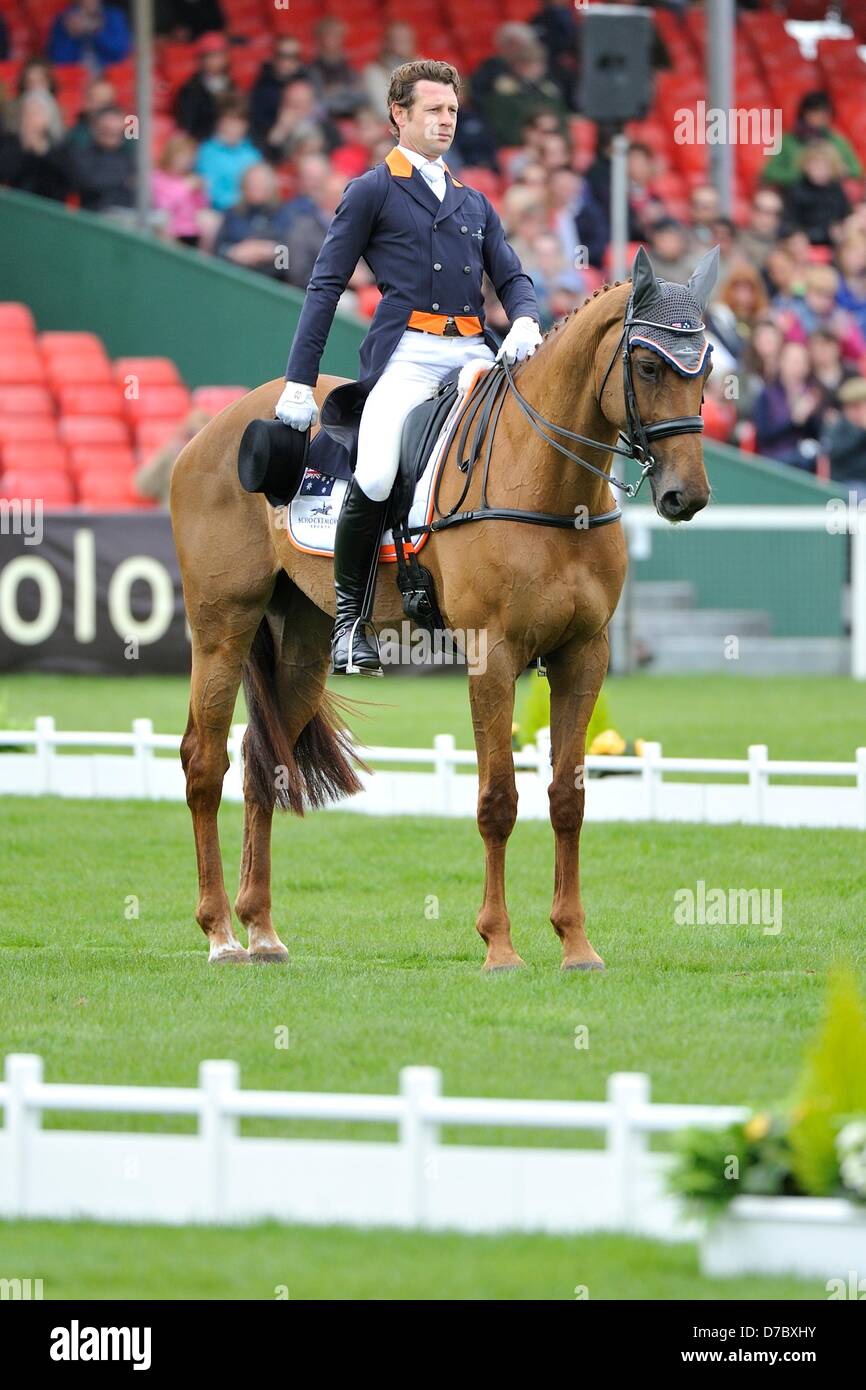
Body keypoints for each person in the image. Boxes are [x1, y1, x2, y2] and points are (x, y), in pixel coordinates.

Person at [276, 58, 541, 675]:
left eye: (452, 111)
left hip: (474, 351)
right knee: (374, 472)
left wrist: (524, 317)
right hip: (409, 355)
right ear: (399, 115)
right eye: (433, 110)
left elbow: (512, 274)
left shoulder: (474, 201)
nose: (446, 121)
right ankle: (349, 621)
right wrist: (297, 380)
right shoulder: (372, 190)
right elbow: (324, 285)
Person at [471, 22, 568, 148]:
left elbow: (561, 121)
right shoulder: (505, 92)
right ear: (518, 67)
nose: (536, 70)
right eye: (529, 65)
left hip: (551, 147)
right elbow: (503, 128)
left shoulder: (549, 90)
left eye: (539, 65)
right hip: (518, 147)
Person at [764, 90, 862, 187]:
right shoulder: (787, 140)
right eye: (815, 112)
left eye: (824, 114)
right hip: (795, 192)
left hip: (831, 191)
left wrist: (833, 171)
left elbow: (856, 170)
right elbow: (770, 172)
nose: (820, 117)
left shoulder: (836, 140)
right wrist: (802, 174)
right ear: (804, 114)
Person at [754, 339, 825, 470]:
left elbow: (819, 436)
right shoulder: (767, 394)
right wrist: (793, 421)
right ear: (781, 362)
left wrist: (811, 416)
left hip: (804, 461)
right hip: (772, 458)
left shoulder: (813, 394)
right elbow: (763, 436)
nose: (797, 367)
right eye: (793, 361)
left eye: (801, 362)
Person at [215, 162, 293, 276]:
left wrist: (266, 251)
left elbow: (287, 261)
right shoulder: (233, 213)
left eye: (262, 183)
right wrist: (233, 252)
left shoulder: (284, 215)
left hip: (269, 280)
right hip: (233, 274)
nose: (257, 187)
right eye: (253, 184)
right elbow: (217, 249)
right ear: (244, 187)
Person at [0, 92, 72, 201]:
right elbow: (5, 173)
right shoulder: (11, 143)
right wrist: (23, 146)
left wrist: (42, 151)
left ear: (49, 118)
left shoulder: (61, 148)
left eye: (35, 113)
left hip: (45, 208)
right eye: (26, 113)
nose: (29, 118)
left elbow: (65, 183)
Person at [67, 105, 135, 213]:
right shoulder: (81, 155)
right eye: (106, 129)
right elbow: (90, 183)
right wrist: (124, 180)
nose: (111, 134)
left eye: (115, 131)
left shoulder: (128, 159)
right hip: (92, 217)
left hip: (126, 218)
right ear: (95, 128)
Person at [195, 98, 259, 212]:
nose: (234, 127)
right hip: (218, 213)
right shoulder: (207, 152)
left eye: (239, 121)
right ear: (219, 122)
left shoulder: (252, 153)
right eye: (229, 121)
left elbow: (259, 187)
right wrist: (238, 205)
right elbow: (211, 192)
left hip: (249, 212)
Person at [784, 142, 851, 247]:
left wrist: (841, 228)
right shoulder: (796, 190)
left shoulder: (836, 190)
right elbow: (789, 224)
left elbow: (843, 215)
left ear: (833, 168)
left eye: (825, 165)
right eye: (815, 164)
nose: (819, 169)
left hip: (834, 243)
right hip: (805, 242)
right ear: (805, 165)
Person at [175, 31, 237, 142]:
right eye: (211, 56)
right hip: (203, 144)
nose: (215, 61)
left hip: (231, 142)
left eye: (219, 55)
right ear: (201, 60)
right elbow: (187, 126)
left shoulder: (232, 85)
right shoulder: (190, 89)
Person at [249, 37, 309, 148]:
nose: (286, 62)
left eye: (293, 57)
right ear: (274, 57)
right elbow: (261, 133)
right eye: (282, 55)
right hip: (276, 145)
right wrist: (281, 126)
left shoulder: (306, 80)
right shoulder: (262, 88)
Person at [152, 132, 207, 245]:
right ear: (171, 154)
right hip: (170, 229)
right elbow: (164, 206)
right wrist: (184, 188)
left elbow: (201, 206)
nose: (186, 160)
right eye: (182, 155)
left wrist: (200, 192)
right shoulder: (157, 177)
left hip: (191, 229)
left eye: (189, 156)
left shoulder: (191, 178)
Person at [48, 0, 131, 66]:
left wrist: (98, 32)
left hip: (107, 74)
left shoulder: (113, 16)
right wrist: (71, 36)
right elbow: (58, 59)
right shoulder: (65, 18)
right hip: (75, 75)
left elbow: (120, 53)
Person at [821, 377, 866, 497]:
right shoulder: (836, 427)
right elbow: (835, 452)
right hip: (846, 482)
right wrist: (862, 432)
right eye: (855, 407)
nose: (860, 411)